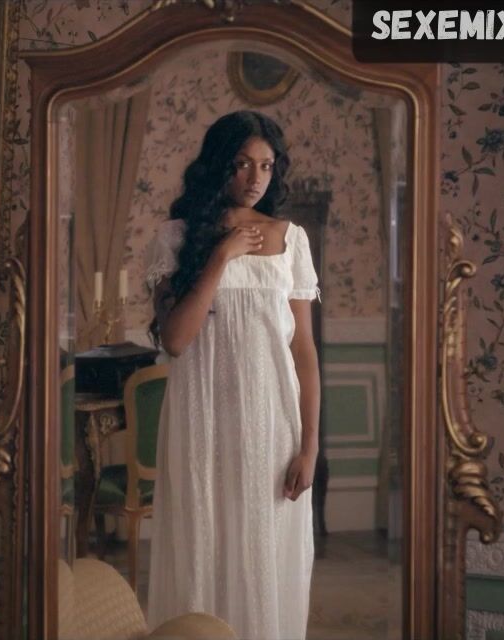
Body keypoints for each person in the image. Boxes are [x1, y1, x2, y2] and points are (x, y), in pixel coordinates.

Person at [143, 111, 320, 639]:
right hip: (201, 422)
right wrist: (221, 256)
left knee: (265, 554)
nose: (255, 178)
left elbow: (304, 352)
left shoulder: (291, 240)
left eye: (266, 165)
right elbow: (176, 340)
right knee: (202, 546)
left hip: (272, 425)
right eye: (242, 164)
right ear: (218, 165)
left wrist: (310, 446)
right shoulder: (175, 238)